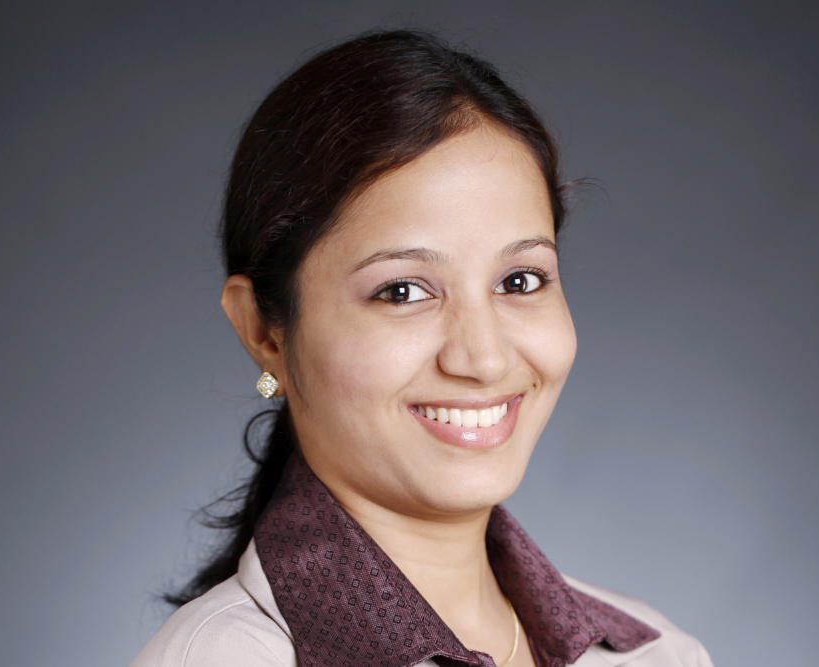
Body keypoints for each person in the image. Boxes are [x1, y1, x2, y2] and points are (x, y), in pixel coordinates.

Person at [132, 29, 713, 667]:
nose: (484, 358)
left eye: (520, 280)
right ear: (264, 333)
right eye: (403, 290)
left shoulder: (658, 654)